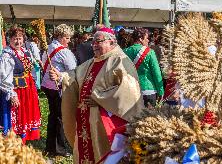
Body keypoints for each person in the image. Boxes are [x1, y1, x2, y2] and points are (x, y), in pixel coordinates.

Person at [49, 27, 144, 163]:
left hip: (103, 120)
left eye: (98, 42)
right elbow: (75, 76)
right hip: (85, 117)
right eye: (93, 42)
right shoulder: (93, 61)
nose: (94, 45)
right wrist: (61, 76)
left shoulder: (120, 60)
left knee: (102, 152)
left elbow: (128, 91)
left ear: (111, 42)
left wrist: (100, 99)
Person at [0, 27, 41, 143]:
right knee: (16, 119)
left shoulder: (24, 51)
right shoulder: (7, 56)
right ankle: (14, 145)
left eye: (20, 38)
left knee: (25, 117)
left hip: (28, 90)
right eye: (15, 39)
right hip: (17, 92)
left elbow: (29, 70)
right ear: (9, 39)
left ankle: (22, 142)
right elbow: (4, 79)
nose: (18, 41)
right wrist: (12, 95)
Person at [41, 24, 77, 157]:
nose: (69, 40)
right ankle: (59, 149)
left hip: (47, 86)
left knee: (53, 116)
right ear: (60, 37)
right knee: (60, 118)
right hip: (58, 87)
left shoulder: (49, 47)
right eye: (67, 38)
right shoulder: (64, 51)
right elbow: (73, 70)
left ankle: (50, 146)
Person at [124, 28, 164, 107]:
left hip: (130, 91)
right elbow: (157, 74)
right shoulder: (150, 52)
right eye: (147, 38)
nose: (148, 40)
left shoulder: (124, 52)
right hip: (148, 90)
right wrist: (161, 91)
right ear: (141, 39)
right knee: (148, 118)